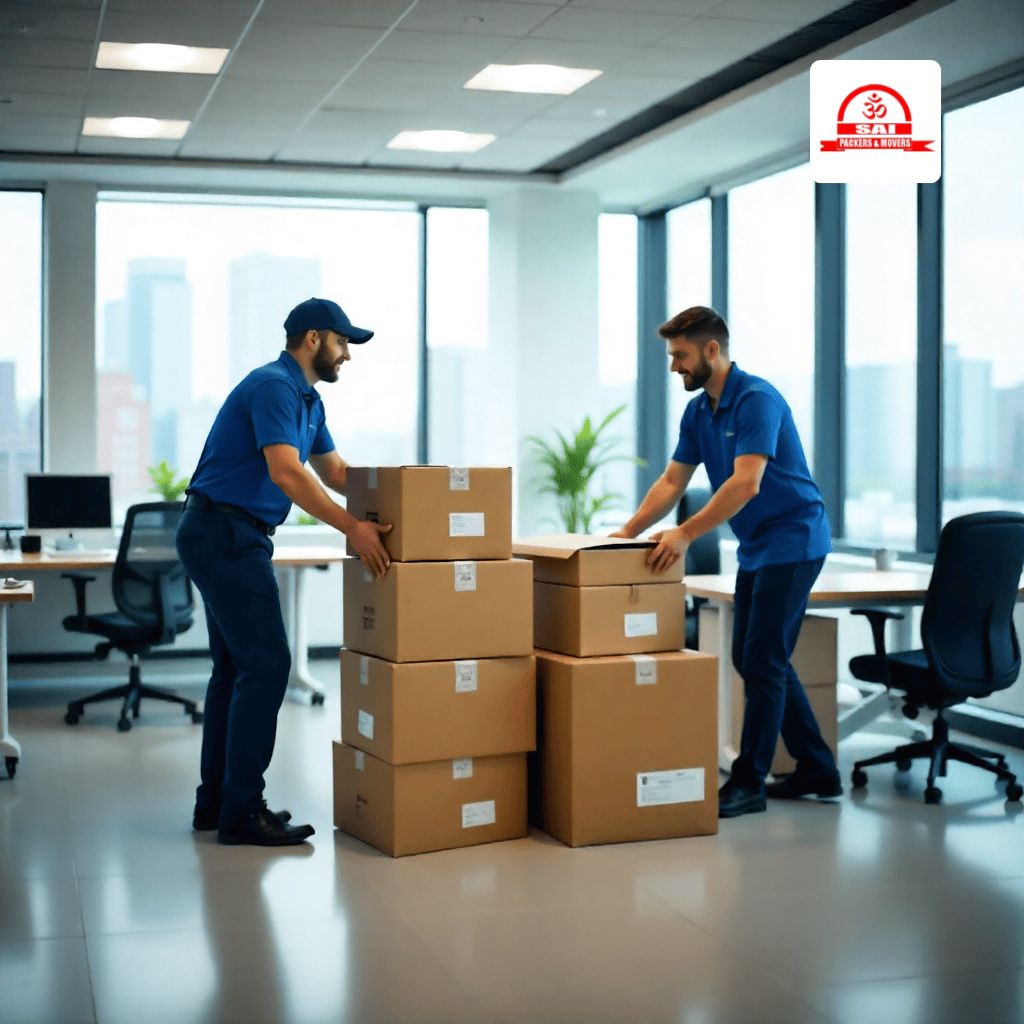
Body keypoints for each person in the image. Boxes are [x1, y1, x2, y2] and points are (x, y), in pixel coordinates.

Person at [176, 297, 392, 847]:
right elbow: (286, 473)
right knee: (268, 663)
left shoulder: (308, 402)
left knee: (236, 670)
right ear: (314, 339)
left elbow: (337, 472)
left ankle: (217, 805)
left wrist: (406, 498)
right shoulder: (274, 385)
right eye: (344, 343)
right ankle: (243, 809)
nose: (348, 355)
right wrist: (352, 528)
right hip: (225, 533)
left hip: (228, 533)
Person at [612, 306, 841, 819]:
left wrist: (686, 534)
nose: (674, 366)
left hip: (796, 537)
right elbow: (673, 482)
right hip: (759, 543)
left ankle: (749, 782)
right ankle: (817, 767)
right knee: (757, 658)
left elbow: (746, 482)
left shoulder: (756, 400)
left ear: (711, 350)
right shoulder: (698, 413)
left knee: (761, 660)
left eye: (681, 355)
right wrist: (625, 534)